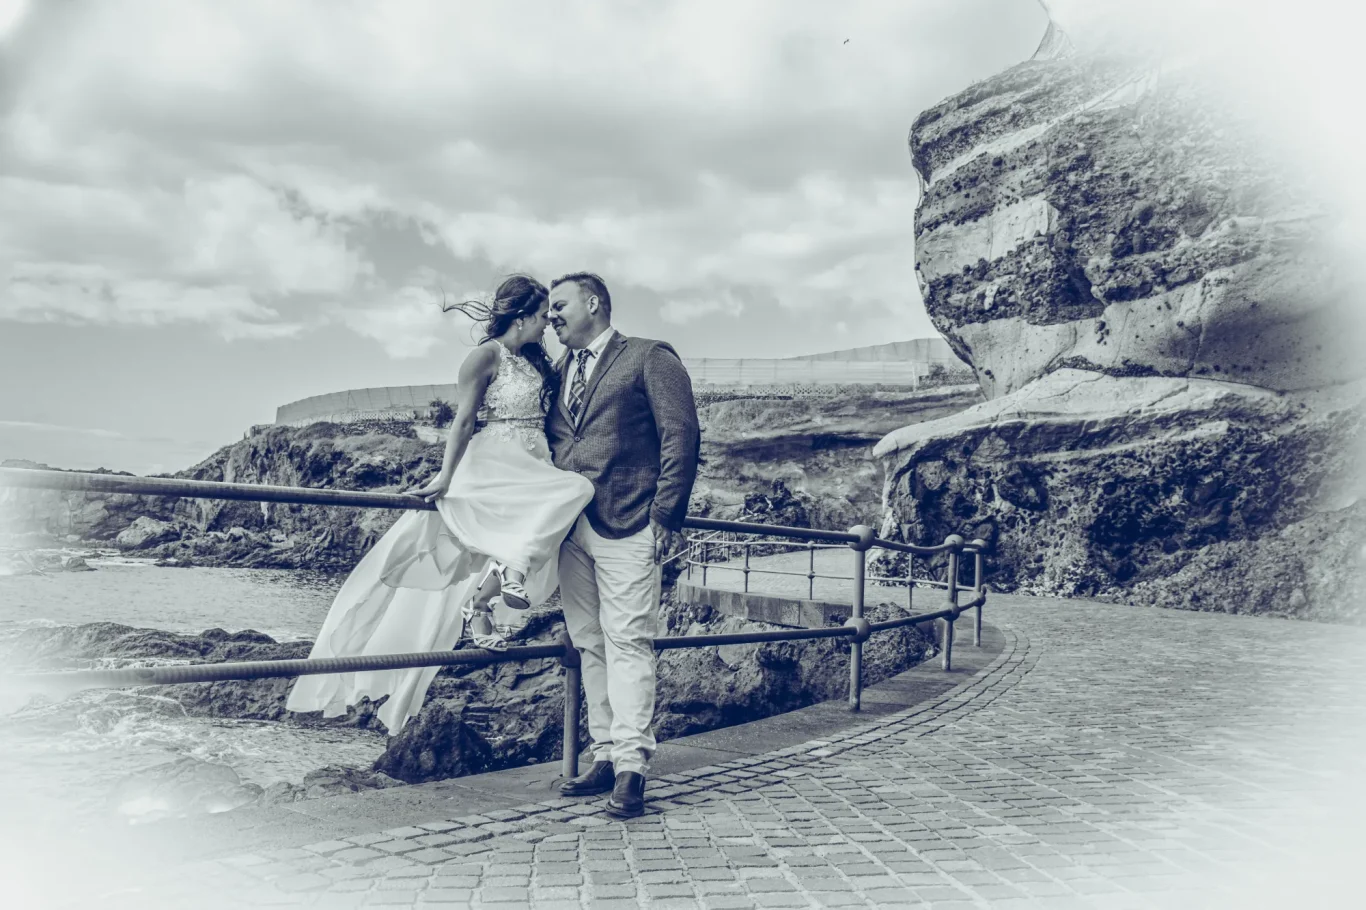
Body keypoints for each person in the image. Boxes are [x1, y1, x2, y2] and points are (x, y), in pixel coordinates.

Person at [285, 275, 595, 734]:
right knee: (545, 516)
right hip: (494, 461)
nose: (549, 323)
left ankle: (484, 603)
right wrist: (447, 475)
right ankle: (489, 595)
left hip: (533, 461)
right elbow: (464, 419)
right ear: (522, 316)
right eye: (544, 314)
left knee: (569, 496)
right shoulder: (482, 357)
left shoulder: (536, 359)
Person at [545, 272, 701, 819]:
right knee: (589, 643)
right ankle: (606, 753)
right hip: (570, 529)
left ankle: (633, 768)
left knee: (629, 640)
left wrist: (666, 512)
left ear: (593, 302)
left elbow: (681, 432)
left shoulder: (649, 356)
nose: (551, 316)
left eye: (558, 304)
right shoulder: (558, 372)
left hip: (631, 522)